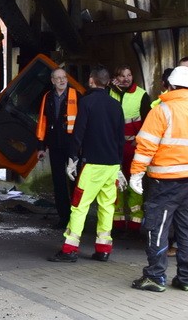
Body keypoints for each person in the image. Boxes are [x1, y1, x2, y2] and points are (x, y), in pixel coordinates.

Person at [128, 66, 188, 293]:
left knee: (157, 228)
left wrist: (137, 172)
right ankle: (187, 278)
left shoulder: (161, 111)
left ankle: (155, 277)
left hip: (165, 182)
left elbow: (146, 146)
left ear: (170, 85)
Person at [48, 66, 125, 262]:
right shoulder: (116, 105)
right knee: (107, 207)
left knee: (79, 206)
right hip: (112, 165)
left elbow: (79, 132)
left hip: (92, 165)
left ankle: (69, 249)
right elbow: (120, 139)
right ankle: (103, 249)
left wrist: (72, 157)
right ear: (108, 82)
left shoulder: (87, 102)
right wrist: (120, 166)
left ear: (91, 81)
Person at [36, 67, 79, 230]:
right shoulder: (47, 97)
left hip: (72, 146)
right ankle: (64, 218)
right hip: (55, 146)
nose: (62, 80)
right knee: (59, 183)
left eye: (64, 77)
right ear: (52, 81)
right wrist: (41, 146)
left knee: (74, 182)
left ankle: (76, 219)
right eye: (58, 78)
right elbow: (42, 123)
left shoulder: (75, 95)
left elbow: (81, 123)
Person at [109, 65, 150, 233]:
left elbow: (149, 122)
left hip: (133, 147)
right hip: (114, 147)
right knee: (115, 184)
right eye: (122, 75)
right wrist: (111, 88)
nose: (126, 78)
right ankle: (117, 224)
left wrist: (138, 140)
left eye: (129, 74)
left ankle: (135, 224)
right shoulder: (109, 93)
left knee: (135, 184)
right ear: (115, 78)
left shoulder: (141, 95)